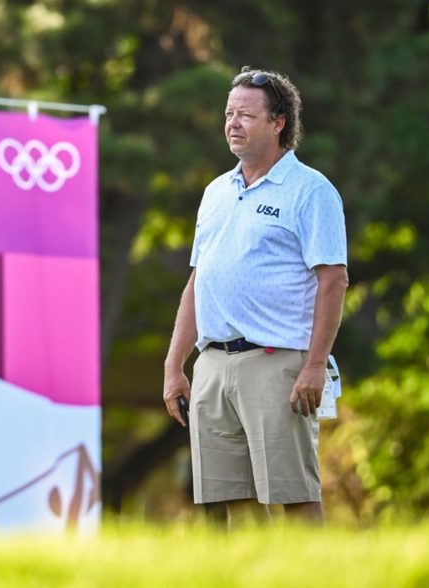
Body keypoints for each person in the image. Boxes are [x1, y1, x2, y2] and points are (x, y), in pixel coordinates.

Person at [161, 67, 348, 526]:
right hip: (213, 364)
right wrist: (174, 365)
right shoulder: (215, 192)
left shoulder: (311, 191)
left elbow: (333, 281)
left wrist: (313, 366)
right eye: (229, 114)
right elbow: (198, 282)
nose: (232, 123)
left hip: (278, 363)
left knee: (294, 493)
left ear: (278, 122)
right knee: (231, 502)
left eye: (246, 114)